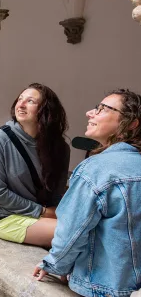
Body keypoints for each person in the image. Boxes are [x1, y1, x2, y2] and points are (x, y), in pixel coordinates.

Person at [33, 89, 141, 297]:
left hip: (103, 286)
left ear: (131, 124)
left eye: (102, 109)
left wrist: (54, 264)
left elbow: (73, 229)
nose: (89, 113)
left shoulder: (96, 169)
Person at [0, 83, 70, 248]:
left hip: (43, 214)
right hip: (6, 216)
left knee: (88, 226)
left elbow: (57, 192)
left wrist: (55, 212)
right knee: (73, 231)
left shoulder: (60, 148)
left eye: (30, 101)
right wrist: (42, 212)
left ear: (46, 110)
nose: (21, 105)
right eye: (20, 99)